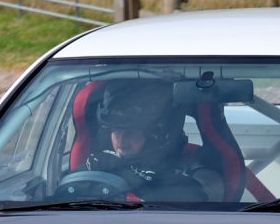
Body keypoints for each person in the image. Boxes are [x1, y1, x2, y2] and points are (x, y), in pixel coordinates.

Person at [85, 80, 221, 200]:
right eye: (115, 131)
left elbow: (201, 200)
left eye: (130, 132)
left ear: (155, 134)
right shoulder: (101, 164)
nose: (121, 140)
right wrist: (92, 174)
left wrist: (130, 175)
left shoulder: (193, 170)